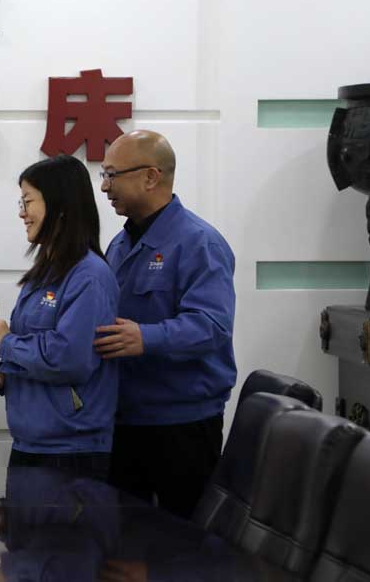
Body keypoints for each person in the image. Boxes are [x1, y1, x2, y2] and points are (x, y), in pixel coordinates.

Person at [93, 130, 236, 519]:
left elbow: (212, 325)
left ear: (150, 177)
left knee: (180, 541)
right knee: (125, 539)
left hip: (181, 426)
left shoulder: (199, 242)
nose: (104, 187)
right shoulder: (119, 244)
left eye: (112, 175)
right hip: (125, 420)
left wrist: (146, 337)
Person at [0, 155, 120, 479]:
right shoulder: (45, 273)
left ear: (60, 206)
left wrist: (7, 341)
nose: (22, 213)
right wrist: (5, 379)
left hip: (71, 453)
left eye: (28, 202)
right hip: (31, 443)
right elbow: (38, 353)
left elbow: (69, 359)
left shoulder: (89, 276)